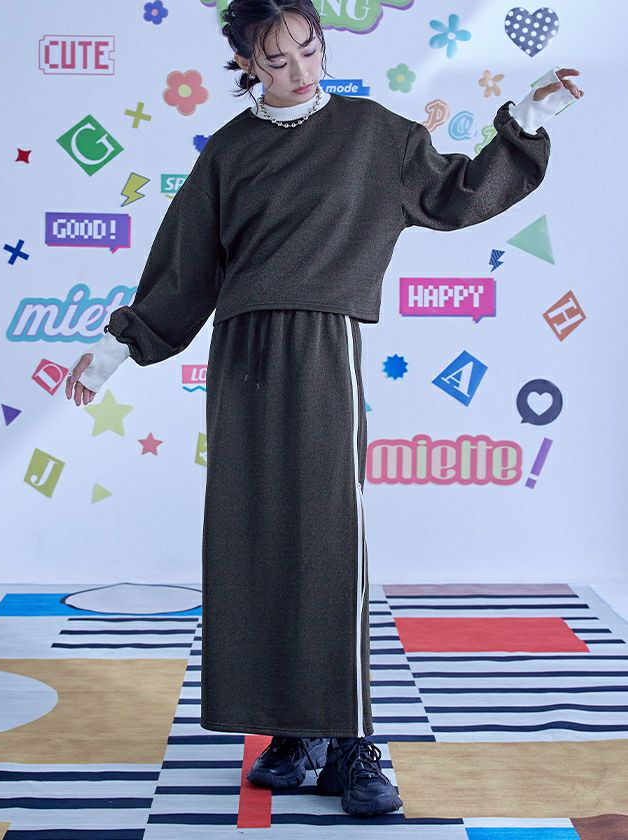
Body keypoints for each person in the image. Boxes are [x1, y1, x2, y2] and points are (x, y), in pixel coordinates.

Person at [65, 0, 583, 818]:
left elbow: (457, 194)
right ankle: (293, 728)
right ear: (247, 64)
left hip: (321, 344)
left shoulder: (374, 134)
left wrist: (525, 120)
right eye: (278, 60)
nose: (301, 70)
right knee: (252, 538)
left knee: (327, 540)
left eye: (309, 49)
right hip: (240, 353)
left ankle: (352, 741)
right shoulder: (229, 152)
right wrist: (112, 350)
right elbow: (185, 269)